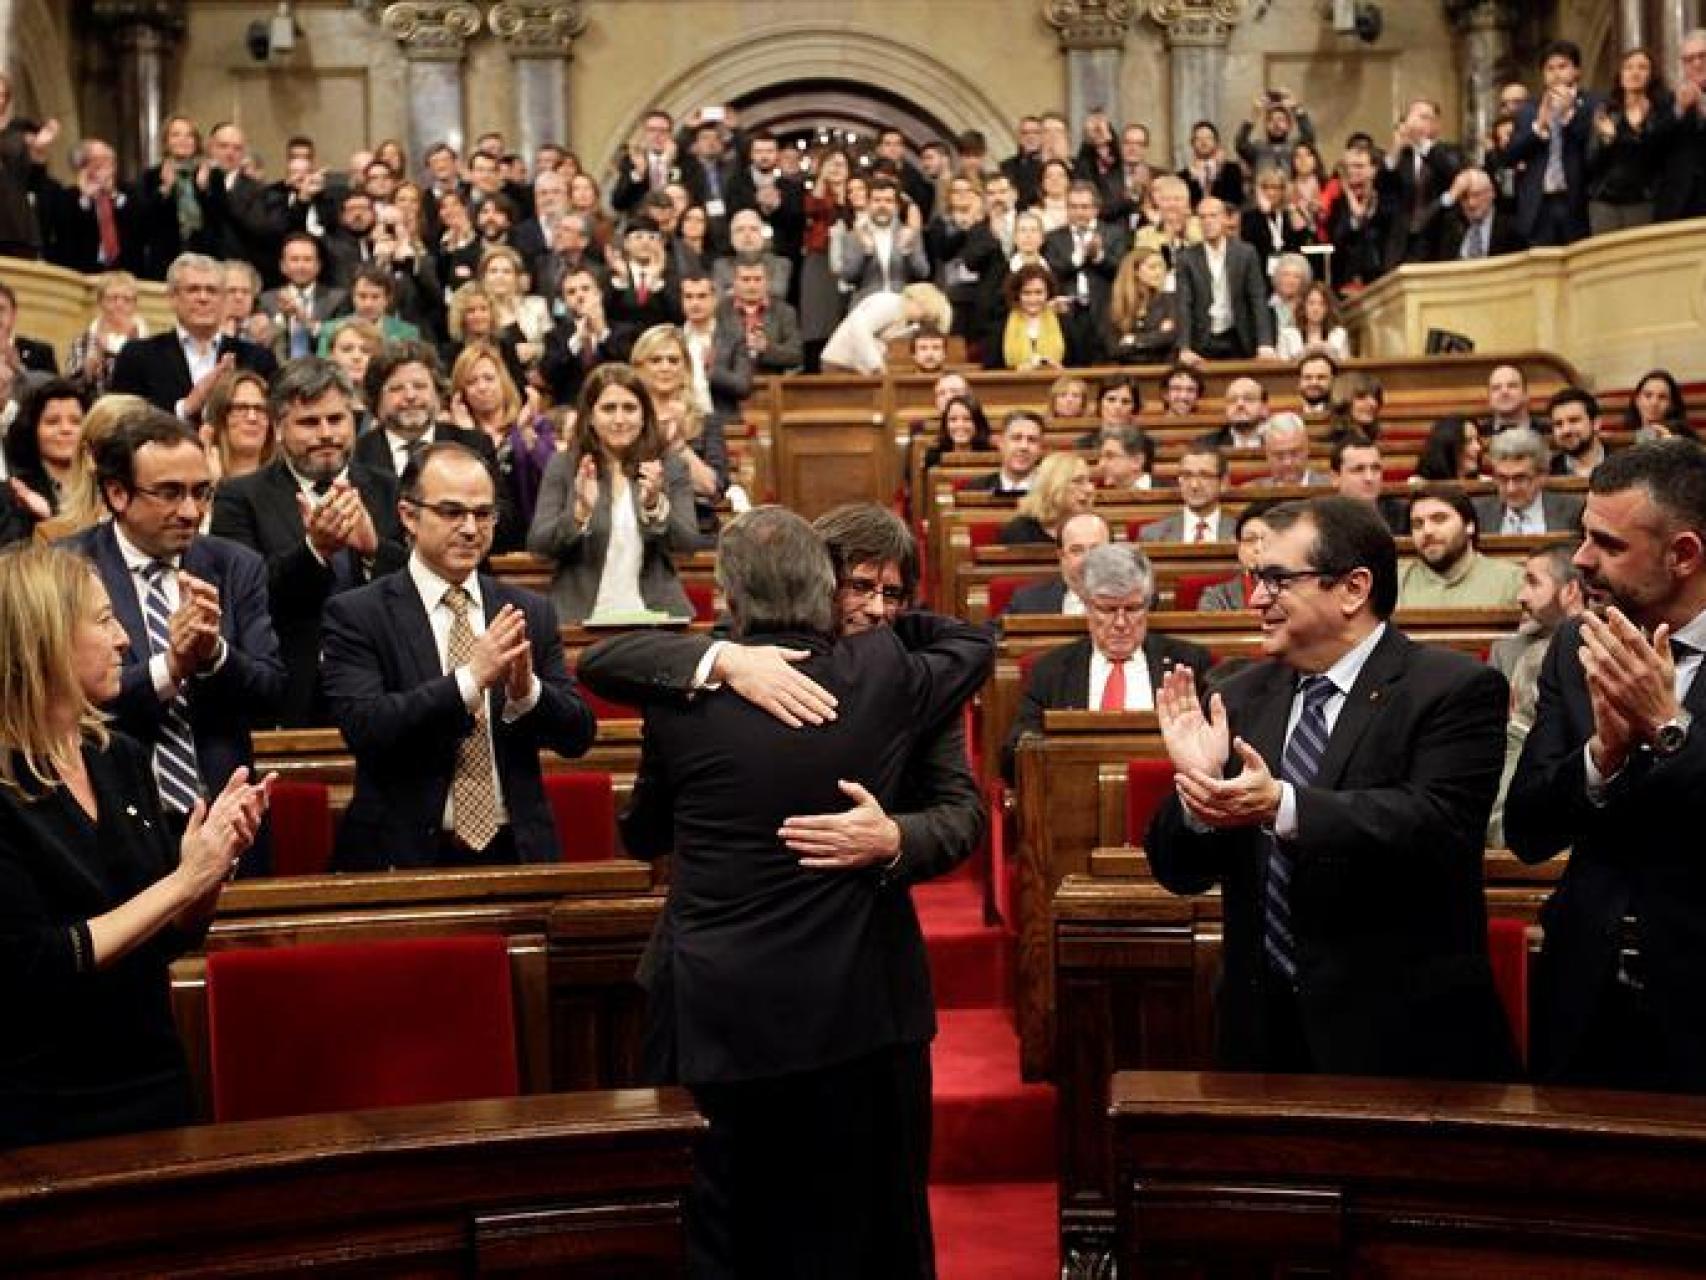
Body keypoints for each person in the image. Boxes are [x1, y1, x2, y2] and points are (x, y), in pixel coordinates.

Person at [584, 505, 992, 1279]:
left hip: (851, 997)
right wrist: (726, 661)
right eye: (859, 587)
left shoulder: (891, 677)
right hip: (777, 1005)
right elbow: (970, 642)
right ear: (820, 584)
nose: (876, 608)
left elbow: (962, 813)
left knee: (855, 1225)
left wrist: (897, 838)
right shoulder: (886, 672)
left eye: (894, 595)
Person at [1147, 495, 1516, 1077]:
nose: (1256, 599)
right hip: (1260, 1037)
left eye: (1276, 580)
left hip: (1402, 1041)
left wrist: (1283, 806)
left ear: (1352, 589)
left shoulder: (1454, 688)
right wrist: (1200, 790)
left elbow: (1437, 824)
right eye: (1254, 578)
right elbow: (1180, 872)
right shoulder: (1237, 693)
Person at [0, 544, 270, 1148]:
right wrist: (183, 879)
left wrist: (210, 870)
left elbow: (167, 938)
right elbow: (33, 966)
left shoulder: (117, 756)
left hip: (153, 1083)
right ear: (42, 639)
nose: (125, 638)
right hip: (39, 1107)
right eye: (102, 620)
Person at [1507, 440, 1706, 1090]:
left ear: (1683, 555)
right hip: (1585, 993)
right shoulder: (1577, 642)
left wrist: (1669, 728)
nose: (1583, 560)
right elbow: (1528, 830)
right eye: (1584, 536)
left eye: (1609, 545)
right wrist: (1602, 756)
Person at [321, 441, 594, 871]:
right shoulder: (359, 613)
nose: (471, 528)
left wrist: (529, 694)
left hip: (517, 851)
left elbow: (578, 736)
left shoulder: (527, 611)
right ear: (409, 516)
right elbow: (365, 727)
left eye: (483, 514)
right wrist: (470, 680)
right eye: (452, 512)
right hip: (403, 856)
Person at [65, 409, 284, 848]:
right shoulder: (68, 570)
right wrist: (170, 667)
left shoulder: (235, 565)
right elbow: (70, 702)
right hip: (110, 819)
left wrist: (214, 654)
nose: (190, 511)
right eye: (169, 493)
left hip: (225, 815)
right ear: (117, 493)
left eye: (201, 492)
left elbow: (271, 690)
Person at [209, 357, 407, 727]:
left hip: (385, 685)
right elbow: (243, 596)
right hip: (290, 692)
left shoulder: (390, 490)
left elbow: (420, 586)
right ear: (279, 427)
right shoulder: (240, 498)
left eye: (336, 419)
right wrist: (314, 551)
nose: (325, 434)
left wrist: (373, 550)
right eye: (309, 422)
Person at [1003, 542, 1212, 779]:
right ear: (1087, 606)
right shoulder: (1051, 671)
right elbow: (1014, 755)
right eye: (1108, 609)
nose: (1121, 623)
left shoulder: (1187, 663)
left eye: (1132, 609)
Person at [527, 362, 698, 622]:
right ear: (591, 417)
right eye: (608, 409)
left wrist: (655, 507)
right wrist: (579, 514)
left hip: (655, 618)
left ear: (644, 416)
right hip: (581, 617)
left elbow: (688, 544)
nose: (619, 419)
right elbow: (539, 547)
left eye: (629, 408)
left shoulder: (668, 464)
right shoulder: (564, 464)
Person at [109, 252, 278, 422]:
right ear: (172, 298)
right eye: (193, 290)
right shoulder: (138, 356)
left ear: (224, 299)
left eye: (212, 291)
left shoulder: (257, 359)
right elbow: (122, 423)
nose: (203, 298)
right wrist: (185, 408)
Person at [448, 342, 556, 552]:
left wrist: (526, 435)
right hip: (478, 543)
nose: (482, 387)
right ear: (461, 393)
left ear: (503, 382)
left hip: (530, 541)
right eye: (472, 382)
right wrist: (469, 436)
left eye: (489, 378)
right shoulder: (454, 436)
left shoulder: (535, 425)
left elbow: (552, 476)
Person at [1506, 40, 1600, 246]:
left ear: (1577, 71)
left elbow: (1594, 151)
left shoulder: (1593, 105)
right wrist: (1539, 126)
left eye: (1562, 66)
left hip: (1576, 201)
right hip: (1539, 204)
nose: (1556, 73)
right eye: (1550, 68)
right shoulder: (1528, 109)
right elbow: (1511, 155)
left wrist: (1569, 115)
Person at [1175, 198, 1276, 361]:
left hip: (1238, 337)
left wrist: (1265, 343)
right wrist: (1184, 347)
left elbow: (1257, 298)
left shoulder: (1246, 253)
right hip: (1202, 340)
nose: (1207, 222)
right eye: (1202, 217)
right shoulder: (1187, 258)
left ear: (1224, 219)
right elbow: (1183, 304)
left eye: (1213, 216)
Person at [1399, 486, 1523, 608]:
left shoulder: (1512, 581)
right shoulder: (1393, 583)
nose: (1427, 531)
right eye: (1418, 524)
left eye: (1439, 519)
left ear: (1469, 525)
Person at [2, 380, 87, 541]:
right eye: (52, 422)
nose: (65, 429)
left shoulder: (103, 482)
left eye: (76, 421)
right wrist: (47, 520)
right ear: (32, 430)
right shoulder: (16, 494)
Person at [1487, 545, 1585, 681]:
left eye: (1533, 583)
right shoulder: (1505, 653)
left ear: (1570, 591)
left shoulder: (1598, 651)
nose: (1520, 597)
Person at [820, 282, 952, 376]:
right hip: (840, 364)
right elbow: (859, 329)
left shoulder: (903, 317)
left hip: (856, 367)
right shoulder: (890, 303)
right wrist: (876, 365)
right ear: (921, 303)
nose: (922, 320)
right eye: (926, 314)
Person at [1474, 426, 1585, 534]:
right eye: (1502, 478)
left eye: (1520, 478)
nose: (1510, 489)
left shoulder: (1574, 512)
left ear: (1542, 475)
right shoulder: (1478, 514)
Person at [1005, 511, 1110, 616]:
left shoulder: (1126, 599)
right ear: (1062, 556)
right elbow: (993, 632)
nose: (1087, 559)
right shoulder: (1027, 601)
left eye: (1096, 549)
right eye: (1077, 550)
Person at [66, 271, 148, 398]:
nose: (119, 305)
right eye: (113, 298)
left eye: (127, 300)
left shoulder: (148, 344)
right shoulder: (83, 341)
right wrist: (89, 369)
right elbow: (69, 389)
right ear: (100, 302)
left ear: (135, 305)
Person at [1140, 444, 1235, 543]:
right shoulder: (1153, 535)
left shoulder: (1240, 533)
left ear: (1223, 483)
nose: (1194, 485)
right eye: (1187, 475)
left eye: (1204, 476)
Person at [199, 368, 275, 486]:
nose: (252, 418)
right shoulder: (199, 481)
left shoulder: (285, 483)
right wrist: (213, 485)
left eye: (260, 409)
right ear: (220, 416)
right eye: (240, 408)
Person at [999, 452, 1094, 546]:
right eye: (1078, 481)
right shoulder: (1019, 532)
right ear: (1052, 486)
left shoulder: (1096, 528)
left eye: (1089, 481)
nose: (1090, 489)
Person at [1106, 245, 1179, 365]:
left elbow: (1169, 337)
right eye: (1152, 267)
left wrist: (1134, 339)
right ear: (1135, 271)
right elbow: (1114, 349)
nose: (1159, 272)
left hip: (1161, 369)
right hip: (1127, 371)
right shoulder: (1117, 304)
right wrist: (1156, 336)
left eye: (1161, 267)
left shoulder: (1169, 301)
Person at [1202, 500, 1279, 611]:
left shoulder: (1304, 592)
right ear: (1239, 548)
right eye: (1250, 539)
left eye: (1268, 539)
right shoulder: (1217, 597)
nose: (1258, 548)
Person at [1331, 432, 1408, 535]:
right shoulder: (1321, 520)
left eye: (1375, 468)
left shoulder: (1403, 516)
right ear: (1335, 478)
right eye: (1358, 469)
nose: (1369, 478)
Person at [964, 410, 1045, 495]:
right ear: (1001, 443)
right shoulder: (975, 489)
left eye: (1032, 440)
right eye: (1016, 438)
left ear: (1040, 448)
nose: (1023, 446)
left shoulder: (1051, 491)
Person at [1546, 387, 1607, 478]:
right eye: (1558, 424)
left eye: (1574, 420)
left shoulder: (1622, 465)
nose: (1566, 430)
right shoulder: (1546, 471)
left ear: (1596, 423)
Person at [1198, 377, 1270, 452]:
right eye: (1232, 400)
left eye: (1249, 398)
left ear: (1264, 408)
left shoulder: (1278, 439)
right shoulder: (1205, 444)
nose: (1240, 404)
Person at [1624, 368, 1694, 441]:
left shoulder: (1683, 436)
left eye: (1662, 397)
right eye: (1648, 395)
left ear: (1671, 405)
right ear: (1637, 400)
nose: (1654, 403)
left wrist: (1670, 441)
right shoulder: (1624, 436)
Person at [925, 394, 991, 469]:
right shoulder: (933, 457)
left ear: (978, 424)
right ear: (945, 424)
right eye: (953, 419)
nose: (960, 425)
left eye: (967, 419)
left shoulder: (991, 455)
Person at [1259, 412, 1325, 487]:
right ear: (1267, 455)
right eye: (1279, 456)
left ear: (1307, 449)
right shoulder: (1252, 492)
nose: (1288, 463)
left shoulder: (1331, 488)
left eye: (1294, 454)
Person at [1415, 415, 1484, 482]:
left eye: (1477, 440)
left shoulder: (1485, 483)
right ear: (1447, 446)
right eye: (1468, 441)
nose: (1478, 447)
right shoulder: (1418, 487)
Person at [1096, 424, 1155, 492]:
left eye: (1110, 456)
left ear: (1137, 461)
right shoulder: (1097, 494)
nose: (1101, 464)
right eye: (1101, 457)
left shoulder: (1168, 494)